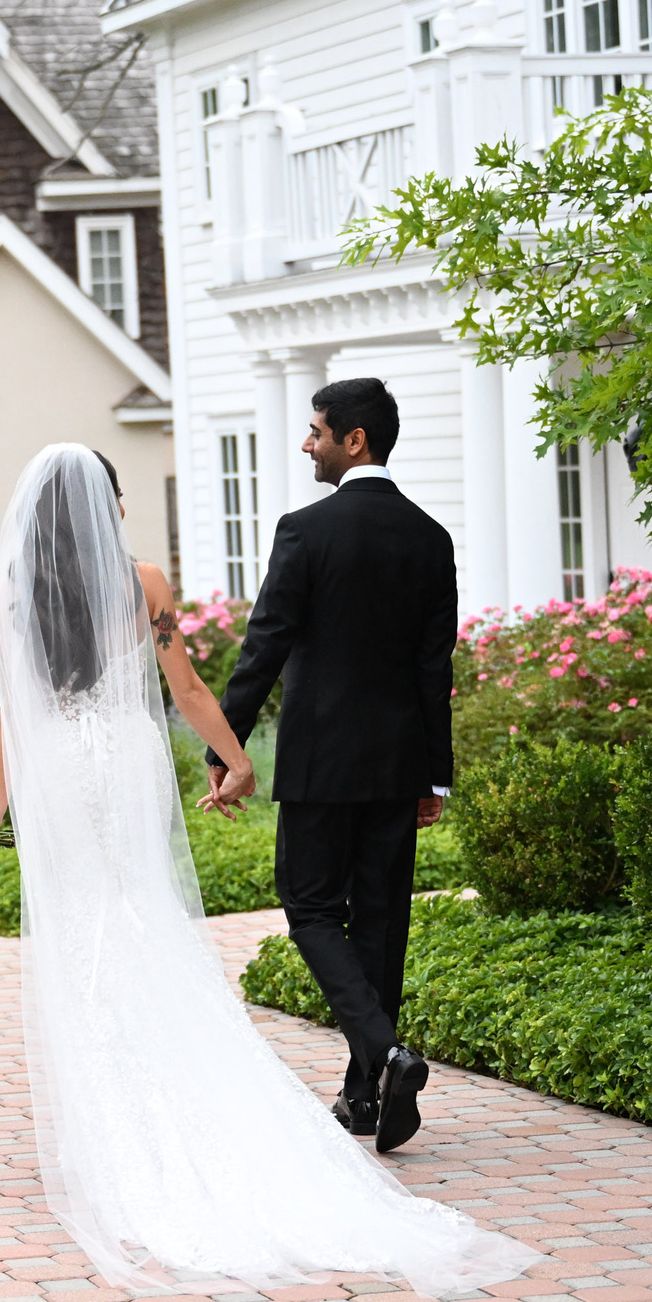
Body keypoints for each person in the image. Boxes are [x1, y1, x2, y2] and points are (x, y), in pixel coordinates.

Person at [0, 441, 537, 1296]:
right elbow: (185, 688)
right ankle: (187, 1089)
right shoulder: (142, 580)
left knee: (83, 923)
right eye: (113, 494)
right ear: (104, 502)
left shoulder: (17, 593)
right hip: (122, 757)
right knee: (140, 912)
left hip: (60, 769)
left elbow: (13, 707)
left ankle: (113, 1124)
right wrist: (235, 759)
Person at [206, 378, 450, 1155]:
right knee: (380, 924)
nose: (307, 444)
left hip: (319, 761)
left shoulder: (304, 530)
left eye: (315, 431)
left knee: (311, 907)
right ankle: (363, 1093)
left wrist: (224, 745)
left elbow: (263, 647)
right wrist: (434, 774)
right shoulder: (430, 536)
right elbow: (430, 666)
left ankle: (382, 1058)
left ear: (354, 440)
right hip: (397, 762)